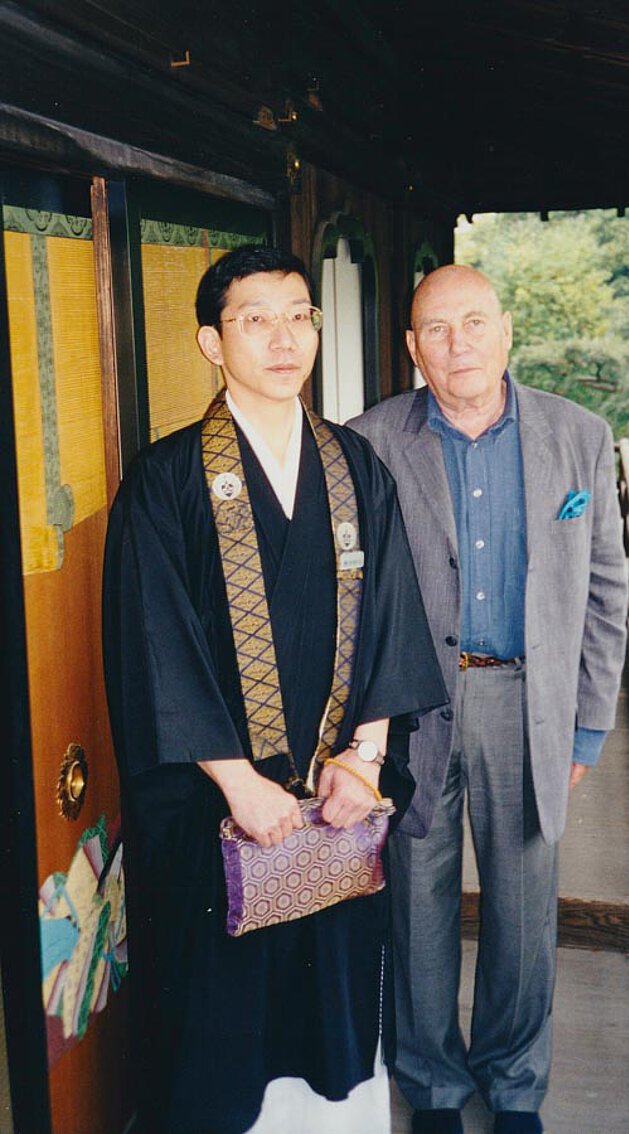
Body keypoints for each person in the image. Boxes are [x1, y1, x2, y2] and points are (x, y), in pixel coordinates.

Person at [102, 244, 446, 1134]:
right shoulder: (166, 480)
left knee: (334, 1001)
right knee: (219, 1023)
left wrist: (366, 757)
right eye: (256, 320)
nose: (284, 339)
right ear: (212, 343)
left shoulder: (355, 466)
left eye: (300, 316)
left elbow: (394, 614)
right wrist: (239, 782)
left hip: (337, 799)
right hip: (217, 808)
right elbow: (155, 647)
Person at [349, 264, 628, 1134]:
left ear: (506, 330)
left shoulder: (579, 436)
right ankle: (431, 1085)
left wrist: (588, 728)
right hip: (413, 707)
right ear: (412, 346)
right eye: (437, 328)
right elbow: (349, 599)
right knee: (415, 900)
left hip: (529, 701)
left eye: (474, 322)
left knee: (523, 905)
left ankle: (514, 1087)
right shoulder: (368, 441)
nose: (458, 343)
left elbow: (605, 590)